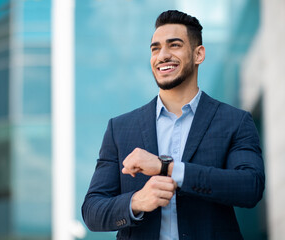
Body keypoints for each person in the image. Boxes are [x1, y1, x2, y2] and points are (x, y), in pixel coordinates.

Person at [81, 10, 265, 240]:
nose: (162, 55)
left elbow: (250, 187)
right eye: (155, 48)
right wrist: (137, 201)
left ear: (199, 54)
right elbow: (92, 211)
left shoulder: (234, 121)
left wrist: (167, 168)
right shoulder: (120, 129)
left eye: (174, 45)